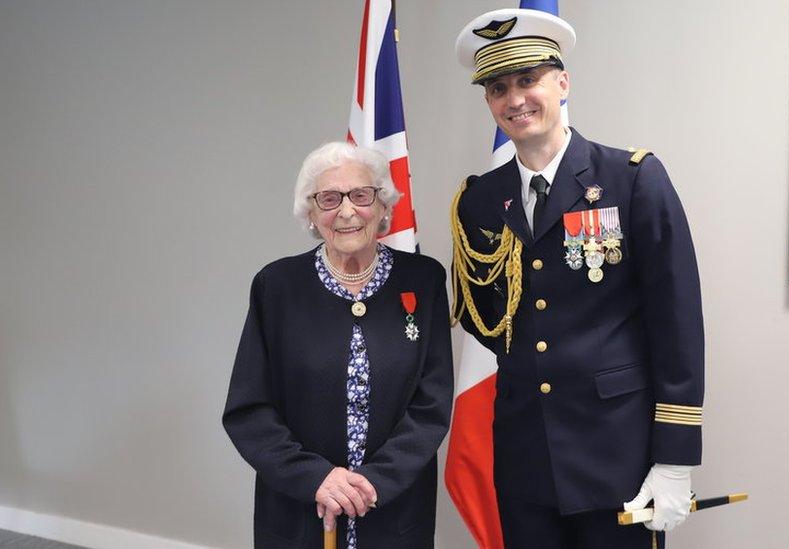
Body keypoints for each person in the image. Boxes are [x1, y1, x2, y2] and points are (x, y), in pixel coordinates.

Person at [451, 9, 705, 548]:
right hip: (525, 457)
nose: (515, 99)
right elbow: (483, 318)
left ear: (562, 83)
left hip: (618, 455)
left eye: (528, 79)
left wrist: (676, 457)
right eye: (498, 88)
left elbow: (677, 323)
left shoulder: (633, 178)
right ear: (489, 103)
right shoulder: (478, 200)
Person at [223, 141, 453, 549]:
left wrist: (370, 483)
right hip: (300, 512)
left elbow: (431, 405)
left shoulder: (424, 279)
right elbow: (249, 410)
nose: (346, 211)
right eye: (328, 199)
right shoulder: (276, 286)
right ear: (310, 214)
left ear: (383, 205)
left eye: (361, 195)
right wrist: (316, 479)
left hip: (394, 512)